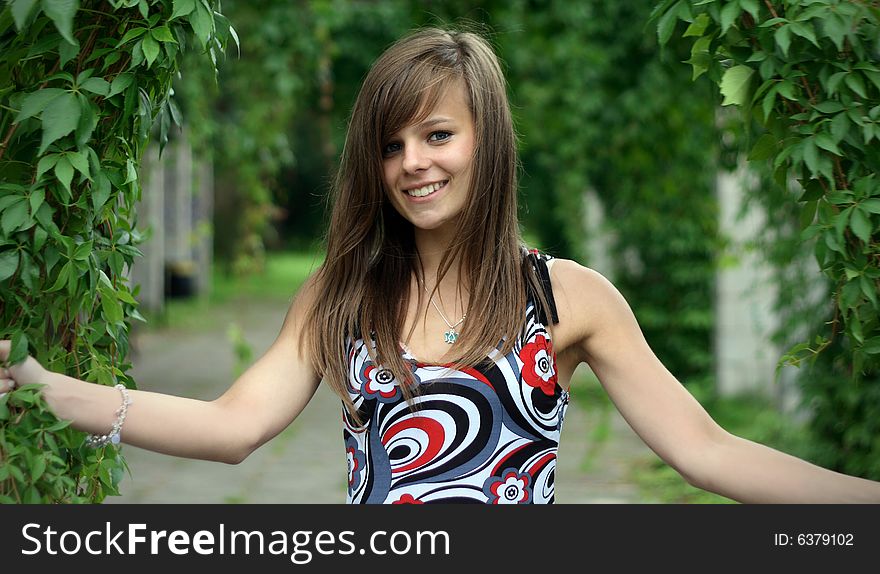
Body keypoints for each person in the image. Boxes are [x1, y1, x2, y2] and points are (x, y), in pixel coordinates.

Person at [1, 27, 879, 504]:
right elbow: (234, 428)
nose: (414, 162)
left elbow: (707, 451)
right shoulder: (341, 294)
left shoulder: (569, 297)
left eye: (438, 135)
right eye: (391, 144)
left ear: (485, 139)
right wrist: (43, 385)